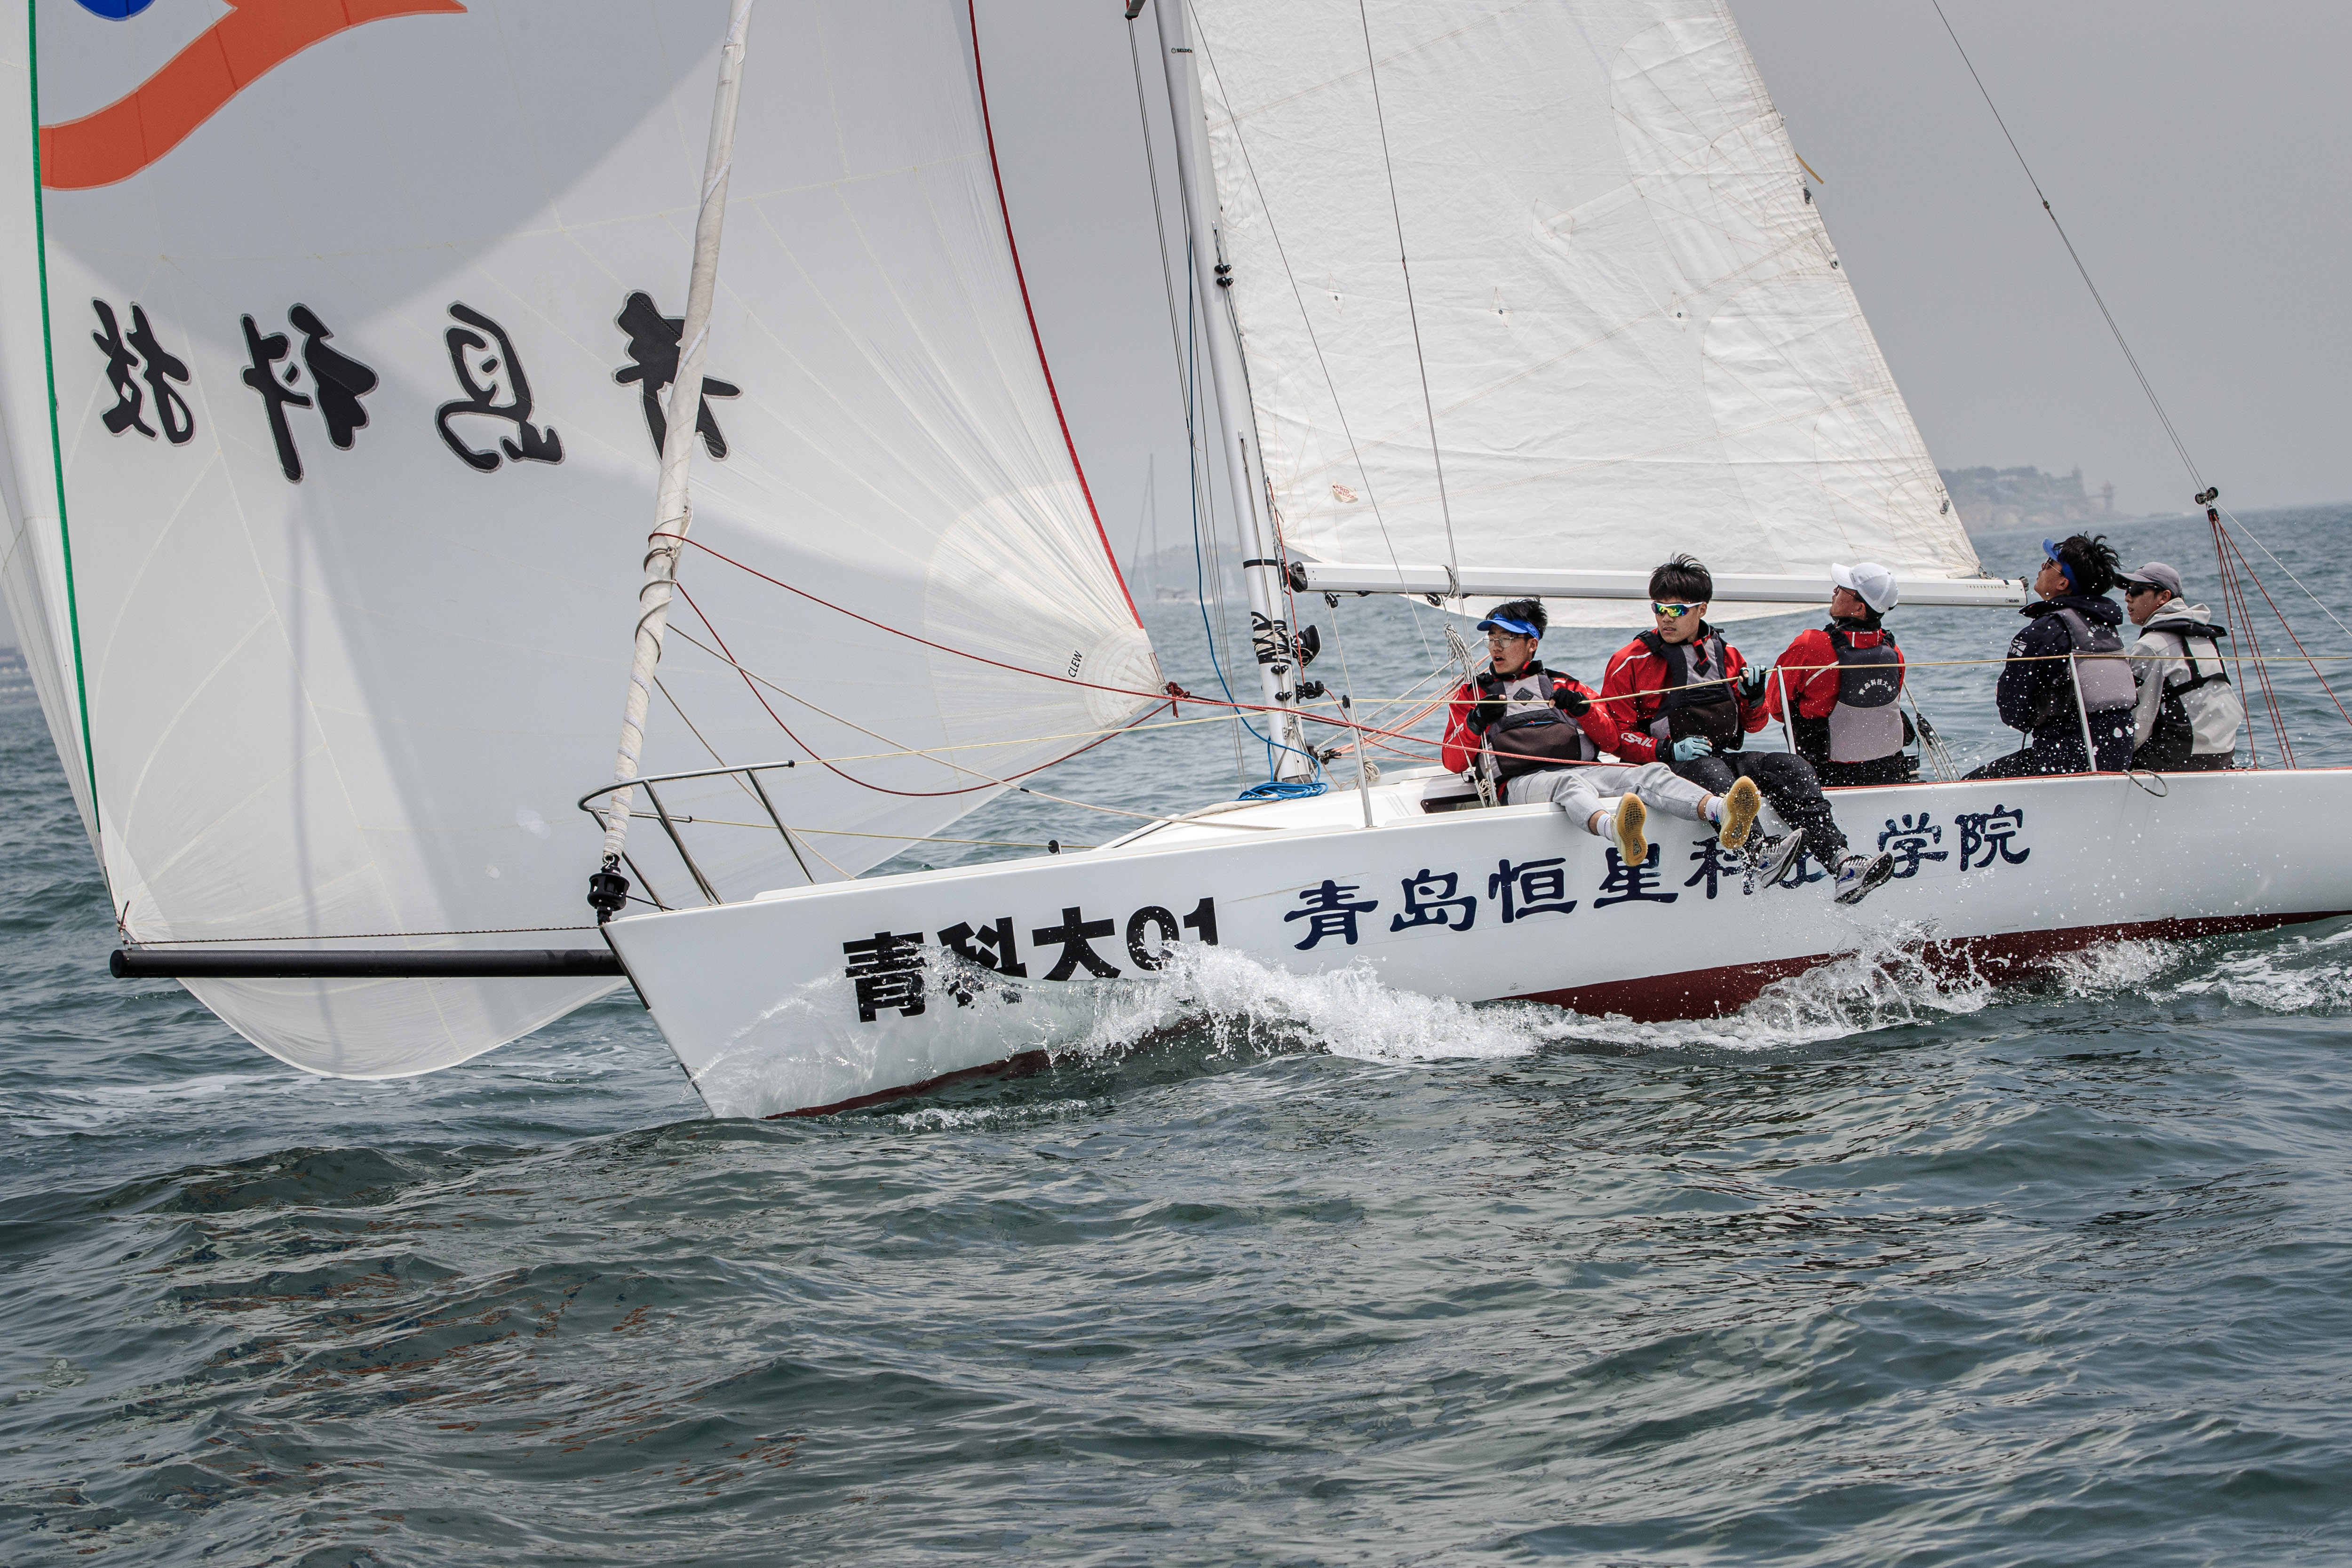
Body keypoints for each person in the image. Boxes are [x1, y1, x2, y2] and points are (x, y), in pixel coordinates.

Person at [1595, 557, 1896, 906]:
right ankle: (1760, 853)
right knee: (1711, 769)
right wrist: (1666, 750)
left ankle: (1843, 864)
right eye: (1659, 608)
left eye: (1676, 610)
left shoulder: (1727, 655)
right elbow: (1615, 737)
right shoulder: (1629, 661)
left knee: (1792, 767)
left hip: (1717, 760)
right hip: (1664, 771)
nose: (1665, 618)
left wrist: (1754, 699)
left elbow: (1755, 724)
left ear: (1702, 609)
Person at [1440, 599, 1762, 864]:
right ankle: (1615, 831)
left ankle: (1721, 810)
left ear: (1532, 644)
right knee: (1568, 783)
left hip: (1585, 770)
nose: (1496, 647)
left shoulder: (1565, 685)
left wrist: (1583, 710)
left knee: (1650, 773)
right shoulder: (1472, 695)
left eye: (1506, 639)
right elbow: (1453, 762)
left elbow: (1611, 739)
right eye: (1492, 639)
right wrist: (1475, 722)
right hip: (1519, 783)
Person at [1965, 534, 2135, 778]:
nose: (2041, 567)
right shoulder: (2105, 627)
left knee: (1969, 784)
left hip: (2065, 758)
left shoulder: (2045, 631)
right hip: (2118, 755)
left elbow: (2013, 711)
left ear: (2063, 583)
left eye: (2048, 564)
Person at [1764, 561, 1917, 787]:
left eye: (1843, 589)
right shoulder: (1894, 653)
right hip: (1887, 771)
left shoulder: (1810, 646)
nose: (1835, 591)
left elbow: (1777, 708)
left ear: (1860, 609)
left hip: (1825, 776)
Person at [2118, 560, 2241, 771]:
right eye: (2127, 590)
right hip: (2223, 753)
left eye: (2137, 590)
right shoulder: (2205, 637)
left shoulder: (2150, 646)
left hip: (2179, 756)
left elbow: (2142, 719)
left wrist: (2118, 757)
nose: (2128, 597)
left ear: (2164, 597)